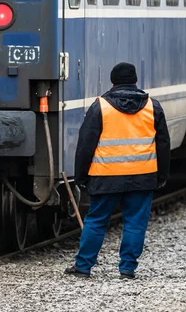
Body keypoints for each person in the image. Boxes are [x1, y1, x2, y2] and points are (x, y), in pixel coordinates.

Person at [65, 62, 170, 279]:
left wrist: (81, 176)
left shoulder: (100, 107)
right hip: (142, 177)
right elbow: (163, 145)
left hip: (106, 176)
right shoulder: (153, 106)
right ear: (135, 81)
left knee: (96, 220)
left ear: (112, 82)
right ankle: (127, 269)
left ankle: (83, 266)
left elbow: (85, 145)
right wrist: (162, 176)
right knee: (135, 223)